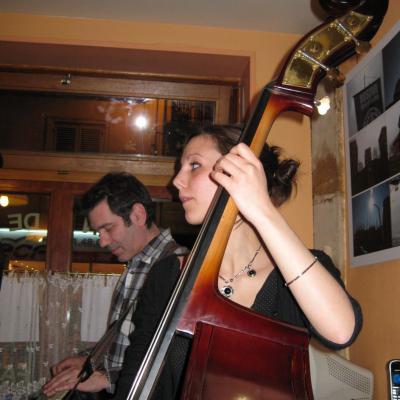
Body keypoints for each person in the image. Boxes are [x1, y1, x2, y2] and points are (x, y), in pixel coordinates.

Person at [114, 125, 363, 399]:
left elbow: (342, 332)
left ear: (240, 172)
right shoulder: (168, 274)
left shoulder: (299, 270)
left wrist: (262, 209)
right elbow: (136, 372)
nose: (177, 181)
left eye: (194, 165)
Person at [42, 172, 187, 398]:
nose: (102, 241)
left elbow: (173, 358)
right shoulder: (138, 264)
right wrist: (90, 360)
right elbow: (128, 342)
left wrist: (107, 377)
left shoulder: (177, 266)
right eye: (98, 232)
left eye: (108, 228)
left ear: (138, 214)